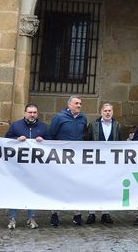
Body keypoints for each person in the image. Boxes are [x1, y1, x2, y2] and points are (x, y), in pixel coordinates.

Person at [4, 103, 48, 230]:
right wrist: (17, 139)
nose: (32, 115)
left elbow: (51, 141)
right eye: (30, 112)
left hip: (35, 168)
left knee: (33, 191)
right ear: (25, 113)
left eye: (34, 112)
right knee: (15, 191)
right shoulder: (16, 125)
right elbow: (7, 139)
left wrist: (43, 141)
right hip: (18, 166)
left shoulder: (43, 127)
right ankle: (12, 218)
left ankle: (31, 217)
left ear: (37, 114)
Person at [46, 95, 87, 227]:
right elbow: (51, 135)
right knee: (59, 185)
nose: (79, 105)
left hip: (77, 159)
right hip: (61, 158)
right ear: (69, 105)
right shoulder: (59, 118)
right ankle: (55, 214)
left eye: (80, 103)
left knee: (77, 185)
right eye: (76, 103)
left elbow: (84, 136)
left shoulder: (83, 119)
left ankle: (77, 214)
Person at [83, 102, 123, 225]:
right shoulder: (93, 125)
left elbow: (120, 143)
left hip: (111, 162)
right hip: (96, 161)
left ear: (112, 112)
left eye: (109, 111)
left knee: (108, 186)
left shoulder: (117, 126)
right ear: (101, 112)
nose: (107, 113)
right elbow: (87, 141)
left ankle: (106, 213)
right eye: (105, 111)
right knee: (93, 186)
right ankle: (92, 213)